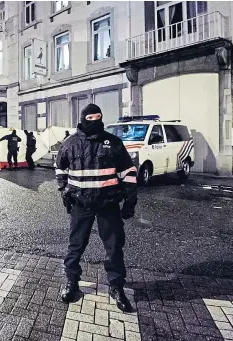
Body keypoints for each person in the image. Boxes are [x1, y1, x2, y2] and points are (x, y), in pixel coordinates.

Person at [55, 103, 138, 312]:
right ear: (83, 119)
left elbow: (128, 171)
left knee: (114, 247)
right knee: (75, 246)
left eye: (97, 118)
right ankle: (71, 281)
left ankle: (116, 286)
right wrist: (64, 189)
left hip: (107, 204)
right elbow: (60, 168)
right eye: (89, 119)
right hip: (80, 204)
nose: (94, 123)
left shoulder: (113, 143)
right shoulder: (70, 143)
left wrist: (130, 199)